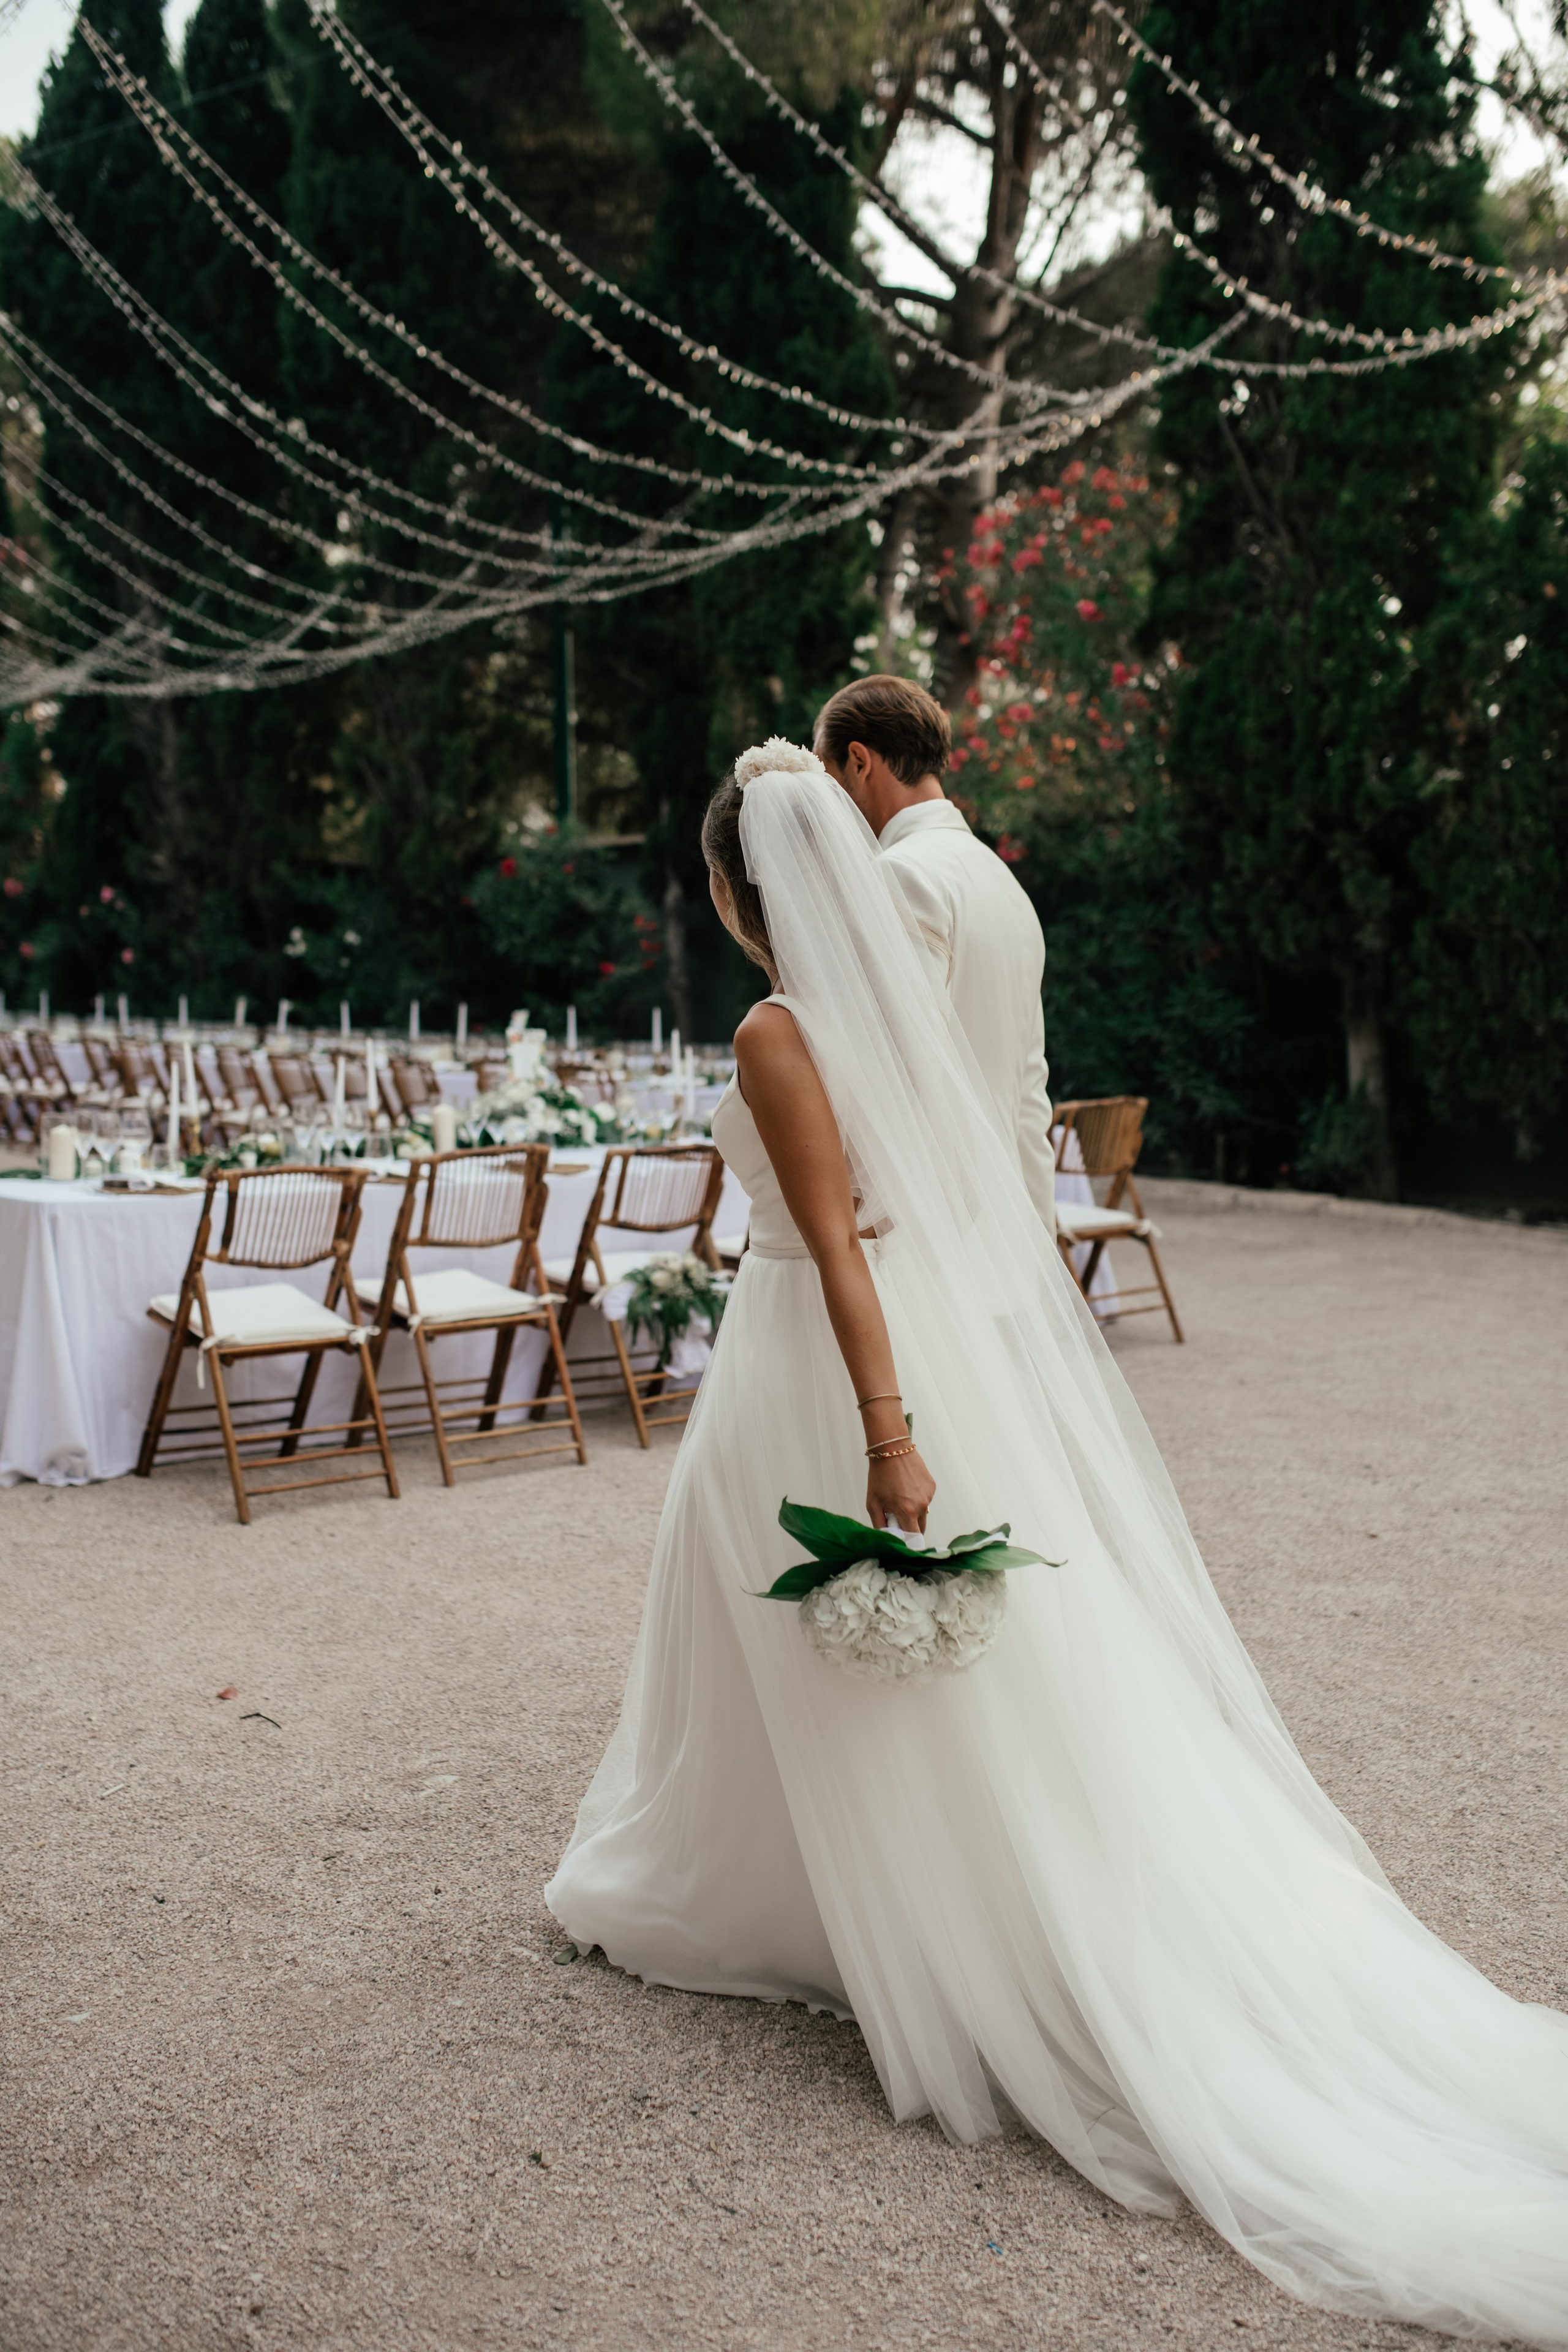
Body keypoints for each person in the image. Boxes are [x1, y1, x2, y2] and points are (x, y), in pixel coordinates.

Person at [548, 739, 1568, 2346]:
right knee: (856, 1663)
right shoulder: (892, 1009)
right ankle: (828, 1897)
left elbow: (834, 1249)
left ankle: (867, 1918)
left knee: (805, 1636)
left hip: (825, 1359)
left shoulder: (774, 1031)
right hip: (914, 1335)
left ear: (741, 893)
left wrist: (885, 1433)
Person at [814, 674, 1057, 1232]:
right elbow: (1029, 1092)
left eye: (828, 779)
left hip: (938, 1225)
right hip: (1009, 1223)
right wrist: (1040, 1239)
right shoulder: (1002, 879)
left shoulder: (899, 874)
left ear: (859, 761)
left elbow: (897, 1080)